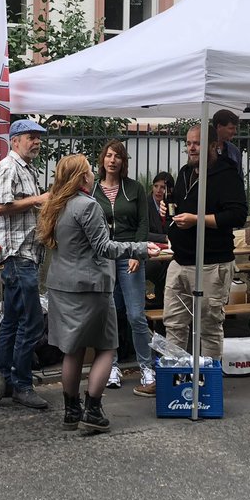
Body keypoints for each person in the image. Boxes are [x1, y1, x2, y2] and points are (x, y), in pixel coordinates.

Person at [39, 154, 159, 432]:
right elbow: (105, 248)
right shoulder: (87, 206)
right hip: (90, 287)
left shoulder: (55, 205)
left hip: (61, 285)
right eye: (89, 170)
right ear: (82, 178)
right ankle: (92, 410)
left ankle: (71, 411)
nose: (94, 173)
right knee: (107, 346)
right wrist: (140, 248)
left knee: (73, 349)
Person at [163, 124, 247, 360]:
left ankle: (207, 385)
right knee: (174, 324)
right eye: (188, 143)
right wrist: (170, 211)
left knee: (208, 328)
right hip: (179, 261)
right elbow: (179, 206)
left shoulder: (227, 174)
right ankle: (175, 377)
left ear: (213, 145)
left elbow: (237, 215)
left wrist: (196, 220)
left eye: (197, 143)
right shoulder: (184, 173)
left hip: (212, 263)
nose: (192, 148)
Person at [0, 119, 50, 410]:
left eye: (38, 137)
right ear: (14, 141)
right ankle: (22, 384)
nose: (36, 142)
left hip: (25, 256)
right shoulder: (8, 168)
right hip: (17, 256)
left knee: (12, 321)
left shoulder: (27, 169)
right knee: (32, 322)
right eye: (30, 137)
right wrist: (38, 199)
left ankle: (0, 380)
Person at [90, 140, 156, 396]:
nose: (113, 160)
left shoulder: (135, 188)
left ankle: (146, 367)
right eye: (108, 155)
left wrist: (138, 252)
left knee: (136, 315)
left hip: (130, 255)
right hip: (103, 256)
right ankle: (112, 366)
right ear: (102, 159)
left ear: (123, 161)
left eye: (117, 156)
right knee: (109, 315)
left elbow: (143, 222)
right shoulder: (93, 189)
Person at [144, 171, 174, 314]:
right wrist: (164, 238)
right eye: (156, 186)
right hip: (149, 254)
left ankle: (161, 301)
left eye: (163, 187)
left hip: (168, 253)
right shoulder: (145, 204)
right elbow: (143, 233)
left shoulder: (172, 205)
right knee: (164, 271)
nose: (158, 190)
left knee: (173, 265)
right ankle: (160, 301)